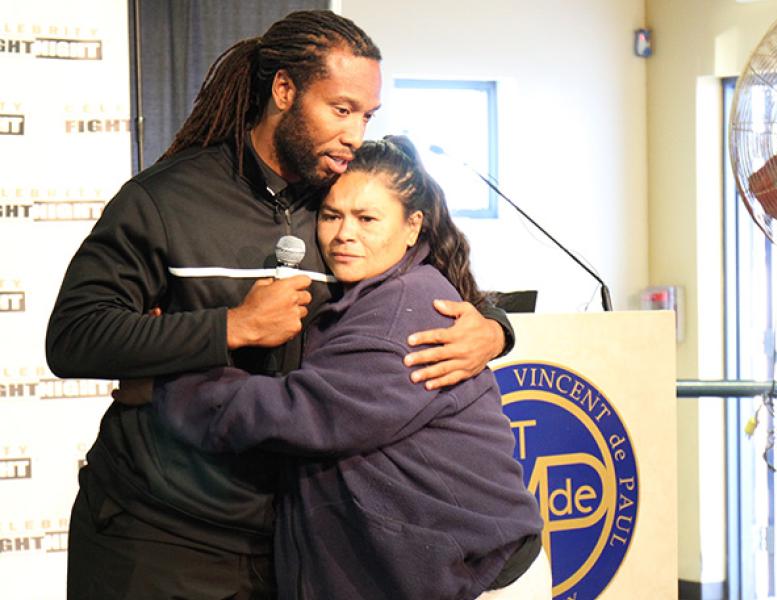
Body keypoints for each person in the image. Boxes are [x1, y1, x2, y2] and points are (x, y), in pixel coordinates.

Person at [45, 11, 514, 599]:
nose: (354, 134)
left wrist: (494, 330)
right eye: (340, 109)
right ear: (284, 91)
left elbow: (437, 281)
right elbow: (74, 338)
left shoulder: (344, 198)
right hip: (160, 534)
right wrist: (232, 326)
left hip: (290, 541)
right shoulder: (164, 199)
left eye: (366, 116)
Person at [152, 135, 551, 600]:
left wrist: (175, 373)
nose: (345, 234)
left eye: (367, 219)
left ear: (411, 226)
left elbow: (299, 414)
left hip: (478, 581)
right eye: (331, 215)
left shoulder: (407, 309)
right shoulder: (376, 293)